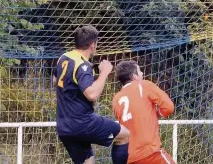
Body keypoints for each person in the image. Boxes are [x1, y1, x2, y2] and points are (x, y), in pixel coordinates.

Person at [55, 25, 130, 164]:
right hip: (82, 123)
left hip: (64, 126)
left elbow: (56, 80)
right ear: (92, 45)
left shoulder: (63, 58)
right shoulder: (83, 65)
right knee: (125, 135)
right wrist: (104, 72)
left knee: (88, 162)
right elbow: (92, 95)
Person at [112, 61, 176, 164]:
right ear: (134, 76)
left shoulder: (116, 99)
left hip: (129, 156)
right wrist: (156, 113)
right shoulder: (144, 86)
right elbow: (169, 107)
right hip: (149, 153)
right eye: (140, 71)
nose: (142, 73)